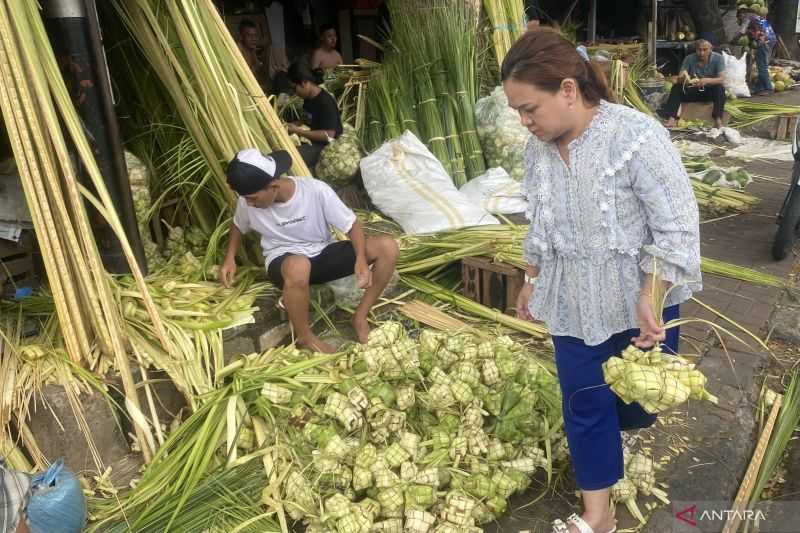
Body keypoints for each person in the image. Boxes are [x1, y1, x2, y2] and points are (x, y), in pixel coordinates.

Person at [502, 29, 701, 533]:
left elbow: (676, 226)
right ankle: (599, 516)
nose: (525, 123)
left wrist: (651, 294)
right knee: (584, 402)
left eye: (530, 109)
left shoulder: (634, 137)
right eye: (518, 113)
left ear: (568, 89)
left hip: (637, 301)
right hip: (571, 300)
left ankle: (619, 445)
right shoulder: (537, 153)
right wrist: (532, 277)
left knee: (635, 405)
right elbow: (541, 222)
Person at [219, 148, 398, 353]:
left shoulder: (315, 190)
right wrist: (229, 258)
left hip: (322, 254)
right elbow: (238, 225)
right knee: (299, 266)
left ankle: (360, 316)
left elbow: (352, 225)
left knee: (387, 247)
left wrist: (359, 259)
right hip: (284, 262)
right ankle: (305, 338)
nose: (249, 203)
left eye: (252, 198)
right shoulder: (247, 202)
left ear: (273, 186)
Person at [286, 61, 343, 170]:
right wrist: (292, 125)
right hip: (312, 141)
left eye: (294, 88)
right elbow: (307, 118)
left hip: (326, 147)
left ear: (304, 83)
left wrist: (298, 131)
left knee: (292, 156)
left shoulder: (326, 102)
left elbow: (329, 135)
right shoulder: (308, 99)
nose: (294, 92)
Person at [658, 39, 726, 128]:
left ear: (710, 49)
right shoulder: (689, 58)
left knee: (719, 88)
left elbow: (722, 79)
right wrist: (684, 79)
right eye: (699, 50)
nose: (701, 53)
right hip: (693, 91)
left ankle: (718, 120)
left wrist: (707, 81)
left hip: (709, 92)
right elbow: (681, 75)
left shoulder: (718, 58)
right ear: (696, 49)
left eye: (705, 50)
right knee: (676, 87)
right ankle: (671, 119)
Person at [734, 9, 777, 95]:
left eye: (739, 17)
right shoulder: (758, 17)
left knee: (762, 66)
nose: (740, 20)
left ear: (742, 14)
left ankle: (768, 88)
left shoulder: (748, 17)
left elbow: (742, 31)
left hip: (764, 41)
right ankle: (759, 88)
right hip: (770, 40)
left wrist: (733, 40)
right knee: (761, 64)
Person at [236, 19, 268, 86]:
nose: (253, 39)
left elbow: (257, 71)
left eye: (255, 35)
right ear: (241, 36)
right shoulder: (238, 49)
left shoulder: (252, 49)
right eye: (249, 35)